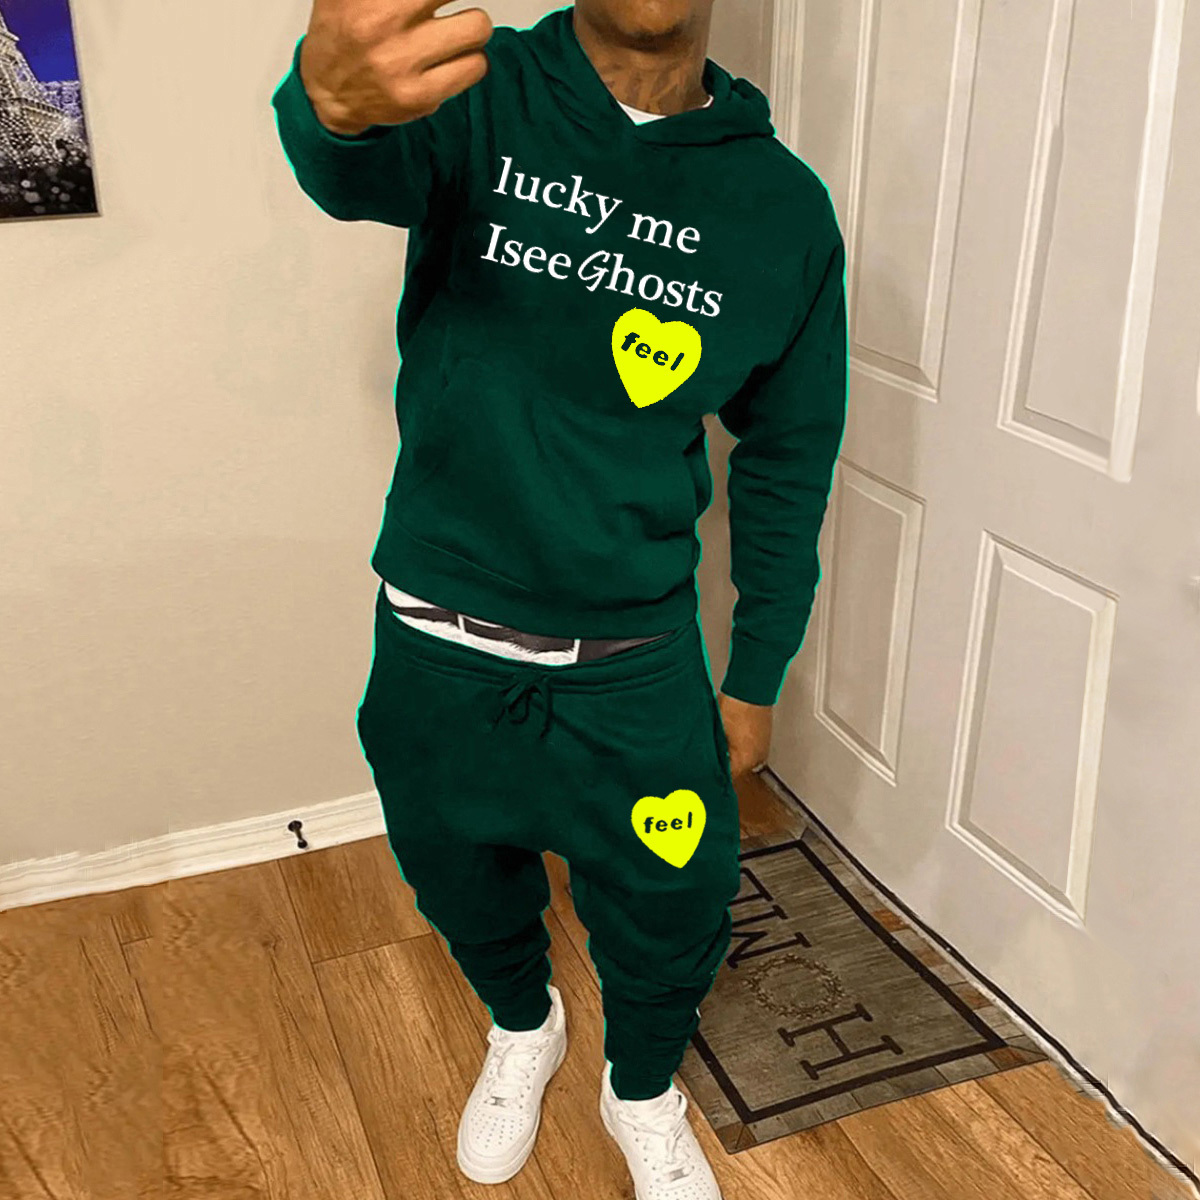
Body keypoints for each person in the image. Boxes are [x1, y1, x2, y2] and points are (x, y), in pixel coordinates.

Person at [271, 2, 847, 1196]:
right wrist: (325, 109)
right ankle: (522, 1024)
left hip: (635, 659)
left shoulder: (783, 208)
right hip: (438, 637)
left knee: (676, 897)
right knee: (453, 869)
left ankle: (641, 1088)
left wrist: (756, 671)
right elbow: (352, 169)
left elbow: (790, 459)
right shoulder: (476, 93)